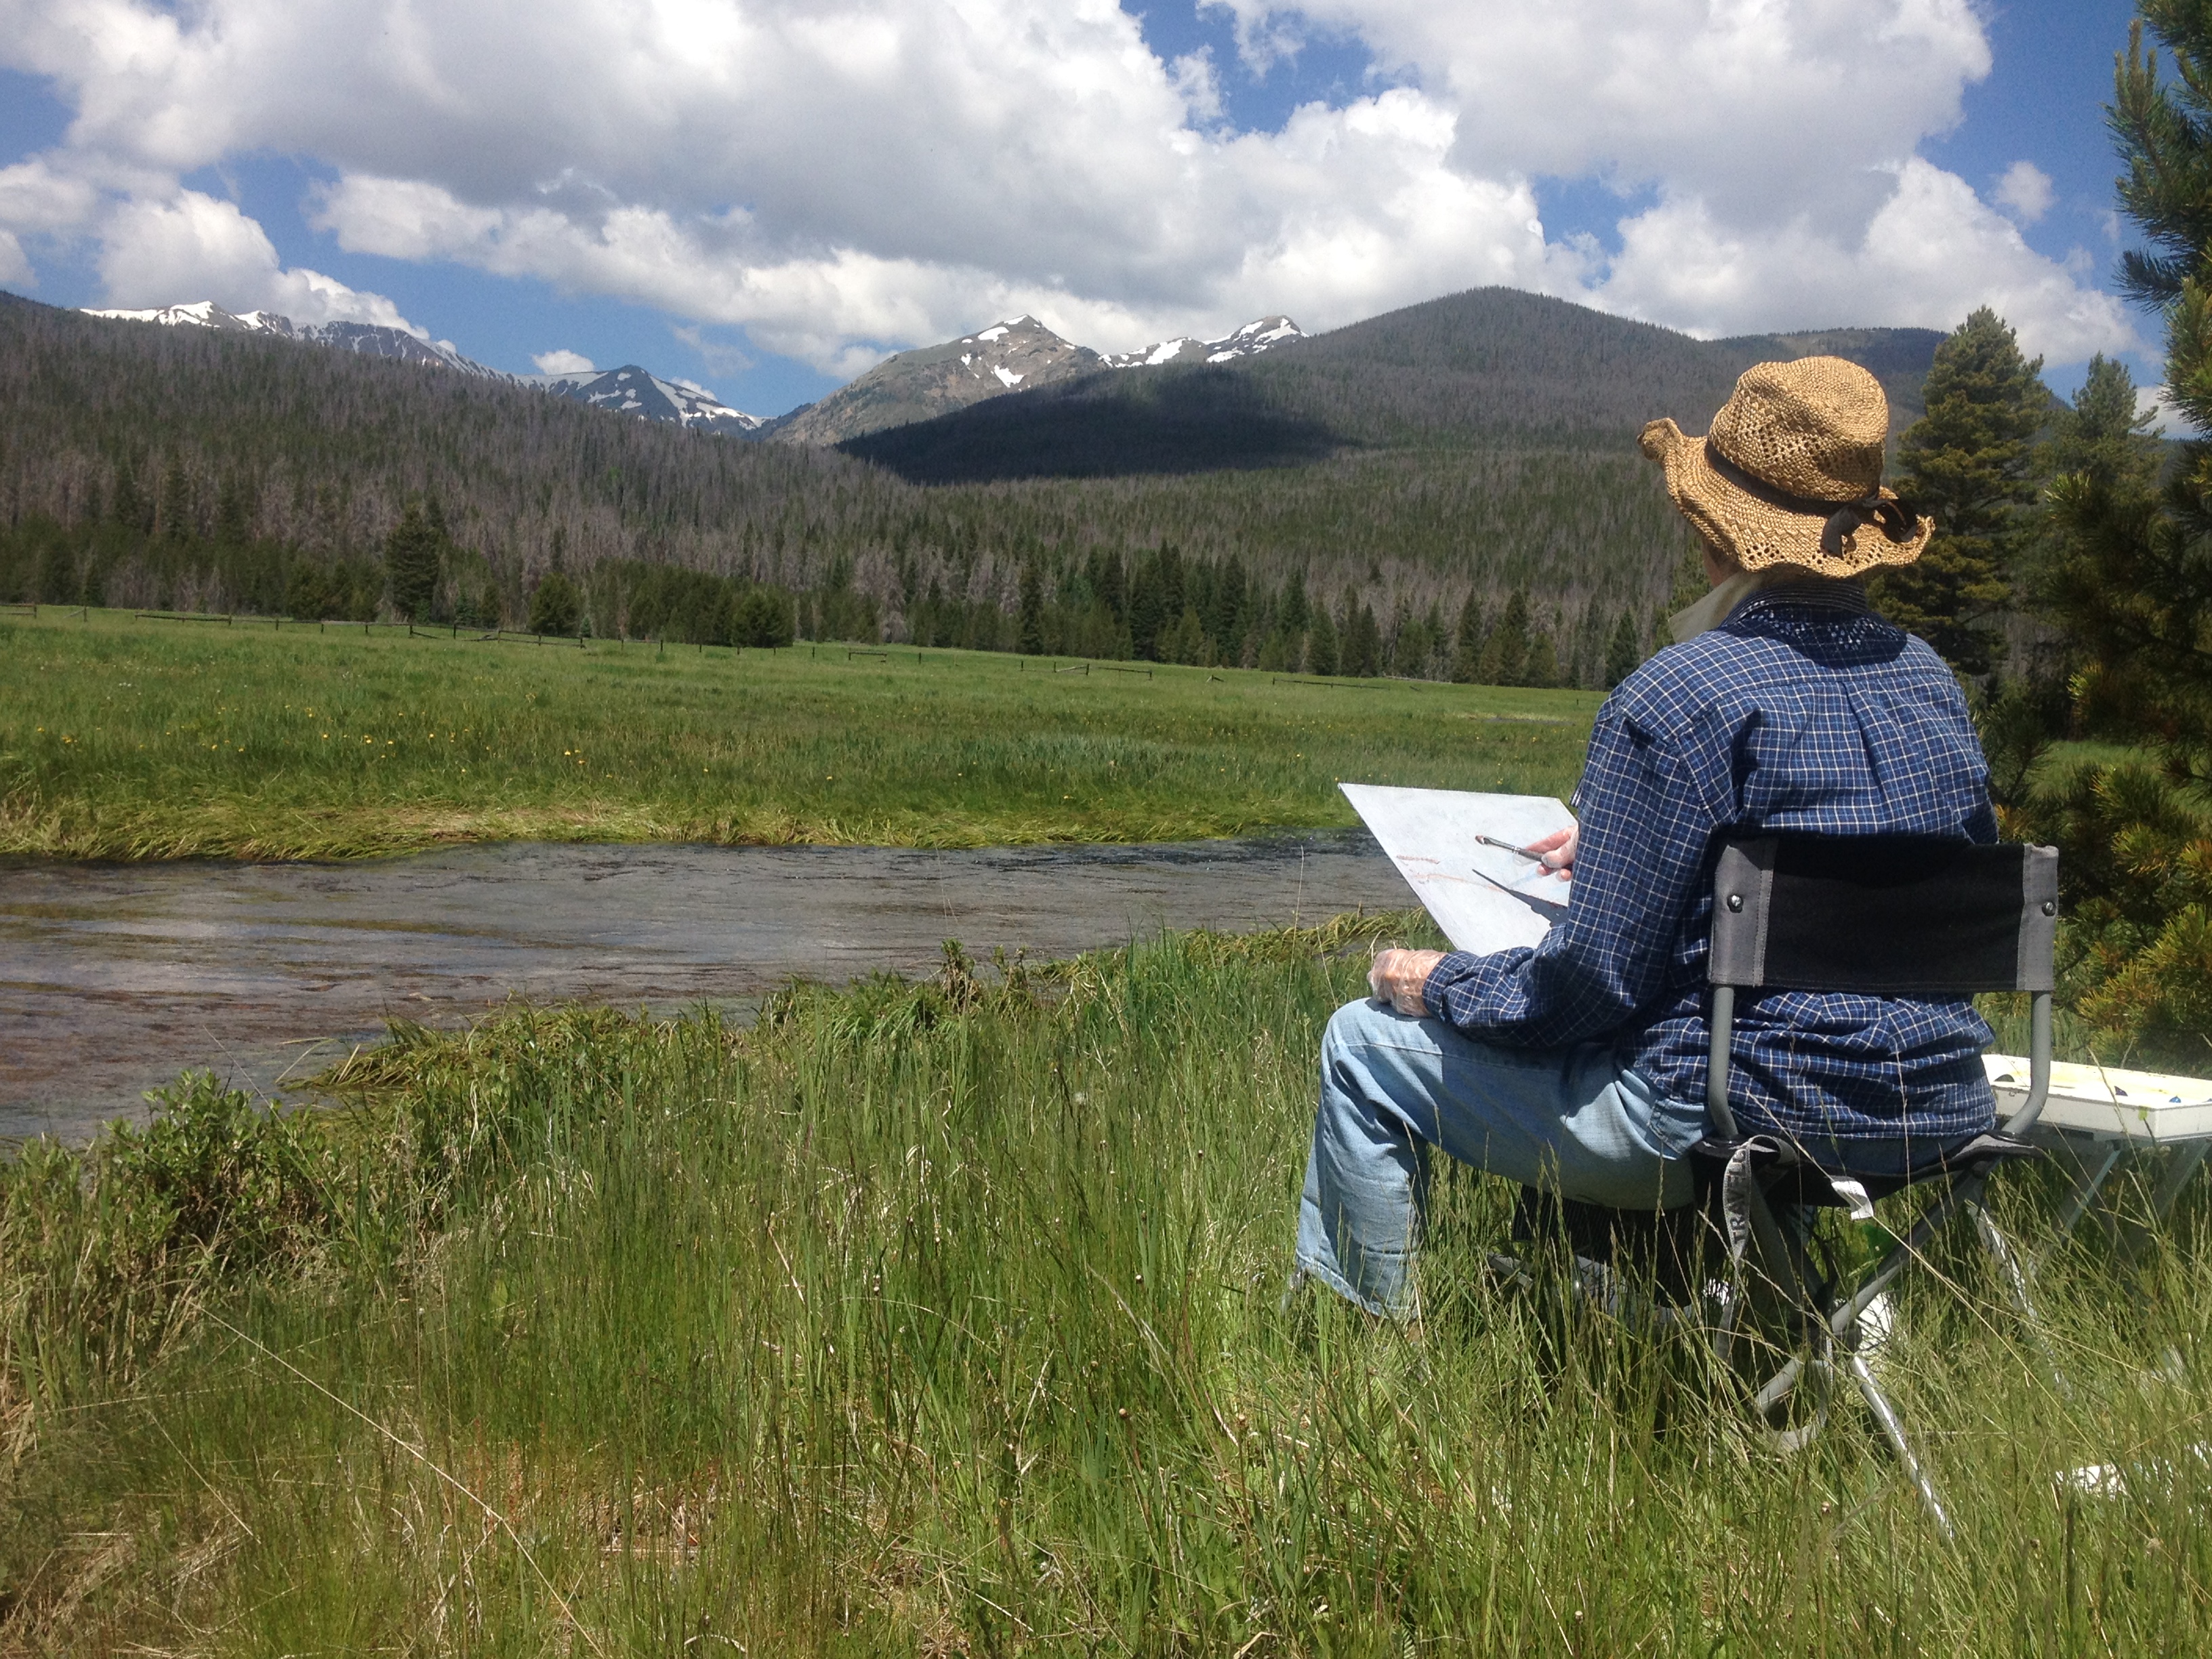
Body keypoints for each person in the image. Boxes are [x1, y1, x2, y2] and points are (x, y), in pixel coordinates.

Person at [1294, 356, 2001, 1318]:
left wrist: (1440, 982)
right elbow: (1913, 884)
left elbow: (1588, 989)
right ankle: (1702, 1312)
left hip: (1727, 1121)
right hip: (1935, 1109)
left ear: (1715, 533)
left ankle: (1356, 1352)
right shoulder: (1930, 683)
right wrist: (1666, 852)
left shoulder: (1679, 695)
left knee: (1360, 1041)